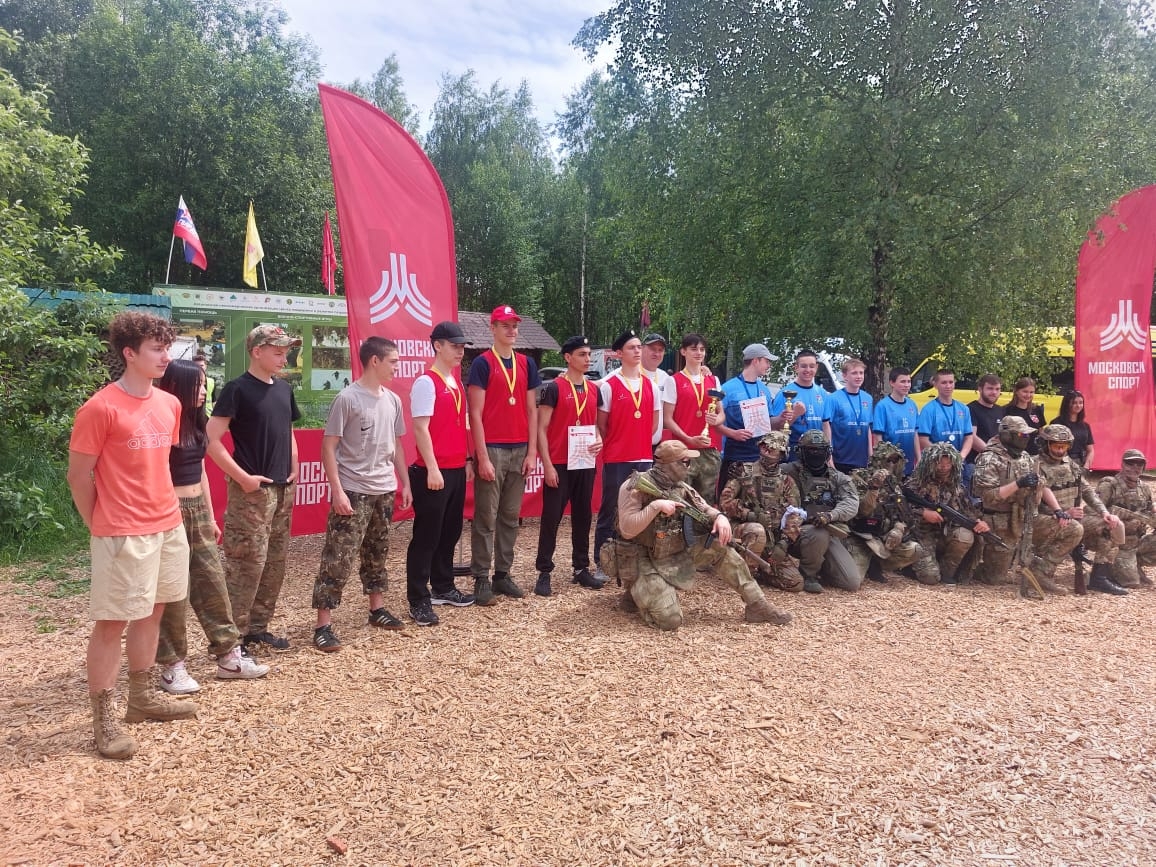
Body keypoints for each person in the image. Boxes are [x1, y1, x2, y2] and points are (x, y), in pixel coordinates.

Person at [67, 312, 197, 760]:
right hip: (122, 530)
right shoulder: (100, 407)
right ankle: (103, 719)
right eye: (156, 349)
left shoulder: (169, 404)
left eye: (167, 348)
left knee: (153, 611)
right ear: (129, 353)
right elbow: (78, 477)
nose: (166, 357)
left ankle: (140, 699)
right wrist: (98, 524)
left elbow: (157, 467)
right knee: (111, 623)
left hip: (168, 524)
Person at [155, 360, 269, 692]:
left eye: (205, 385)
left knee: (213, 582)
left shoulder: (198, 421)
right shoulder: (163, 421)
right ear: (177, 386)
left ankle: (229, 655)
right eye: (197, 385)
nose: (204, 391)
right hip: (169, 510)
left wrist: (208, 515)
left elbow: (202, 471)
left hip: (197, 511)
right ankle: (172, 665)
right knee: (173, 590)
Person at [610, 441, 792, 630]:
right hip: (642, 557)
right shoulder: (635, 486)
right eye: (685, 462)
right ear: (669, 464)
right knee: (670, 621)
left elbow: (703, 507)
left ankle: (757, 605)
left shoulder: (680, 487)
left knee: (720, 548)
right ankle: (636, 591)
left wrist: (719, 517)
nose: (689, 467)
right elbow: (627, 529)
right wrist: (655, 507)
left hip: (671, 550)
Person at [310, 338, 415, 652]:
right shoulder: (347, 398)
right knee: (338, 557)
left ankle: (376, 609)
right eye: (393, 361)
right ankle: (323, 625)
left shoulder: (393, 400)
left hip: (384, 489)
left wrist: (405, 483)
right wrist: (337, 490)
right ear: (374, 361)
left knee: (377, 552)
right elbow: (328, 446)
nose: (397, 367)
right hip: (353, 491)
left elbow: (397, 445)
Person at [208, 325, 302, 652]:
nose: (284, 358)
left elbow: (287, 430)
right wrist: (243, 478)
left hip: (282, 489)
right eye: (277, 352)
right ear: (256, 351)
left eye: (286, 352)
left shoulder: (283, 389)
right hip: (251, 493)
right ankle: (229, 641)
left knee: (274, 563)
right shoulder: (237, 389)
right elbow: (212, 439)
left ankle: (257, 630)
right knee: (245, 565)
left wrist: (294, 463)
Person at [467, 305, 541, 604]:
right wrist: (482, 456)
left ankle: (502, 574)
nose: (511, 330)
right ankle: (481, 578)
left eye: (514, 325)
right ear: (493, 328)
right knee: (486, 516)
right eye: (505, 325)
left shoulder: (526, 363)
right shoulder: (483, 363)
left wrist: (532, 452)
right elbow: (475, 413)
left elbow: (532, 410)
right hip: (493, 448)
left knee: (510, 516)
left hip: (520, 447)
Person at [407, 322, 477, 626]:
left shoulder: (455, 381)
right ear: (437, 345)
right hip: (432, 471)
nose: (460, 351)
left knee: (450, 532)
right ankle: (418, 599)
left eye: (462, 347)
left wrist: (468, 459)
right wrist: (432, 467)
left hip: (456, 468)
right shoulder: (427, 382)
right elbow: (420, 428)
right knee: (427, 537)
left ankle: (443, 586)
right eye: (454, 346)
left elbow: (459, 426)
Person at [533, 335, 604, 596]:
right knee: (551, 517)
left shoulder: (594, 390)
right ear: (568, 357)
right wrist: (548, 465)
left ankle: (581, 568)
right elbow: (541, 429)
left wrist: (598, 439)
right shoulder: (554, 388)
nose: (588, 359)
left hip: (584, 460)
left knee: (583, 516)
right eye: (582, 354)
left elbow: (595, 425)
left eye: (589, 354)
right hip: (560, 463)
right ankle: (544, 571)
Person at [972, 416, 1067, 590]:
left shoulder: (1025, 457)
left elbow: (1042, 484)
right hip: (1000, 521)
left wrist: (1057, 510)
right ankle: (978, 567)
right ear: (1007, 436)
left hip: (1027, 517)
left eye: (1027, 435)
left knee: (1072, 529)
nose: (1026, 439)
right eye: (1022, 435)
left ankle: (1041, 571)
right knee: (995, 578)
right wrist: (1018, 484)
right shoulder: (989, 458)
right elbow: (988, 496)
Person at [593, 329, 660, 575]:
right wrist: (620, 441)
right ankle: (602, 562)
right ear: (619, 353)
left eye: (639, 347)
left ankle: (636, 561)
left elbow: (653, 424)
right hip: (617, 457)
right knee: (611, 509)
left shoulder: (651, 386)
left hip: (643, 457)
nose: (637, 351)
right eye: (632, 347)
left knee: (641, 510)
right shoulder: (609, 386)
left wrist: (638, 441)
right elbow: (602, 424)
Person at [1032, 424, 1122, 595]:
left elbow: (1087, 491)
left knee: (1110, 527)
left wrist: (1104, 513)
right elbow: (1030, 504)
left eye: (1064, 446)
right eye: (1056, 446)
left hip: (1069, 518)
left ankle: (1099, 577)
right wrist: (1063, 513)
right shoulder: (1034, 465)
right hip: (1042, 520)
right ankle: (1042, 573)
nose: (1060, 450)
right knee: (1075, 528)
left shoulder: (1071, 465)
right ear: (1045, 444)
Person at [718, 430, 805, 592]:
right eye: (764, 446)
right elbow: (725, 502)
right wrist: (749, 514)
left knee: (795, 583)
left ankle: (762, 571)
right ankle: (745, 578)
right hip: (744, 532)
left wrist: (784, 543)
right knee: (757, 530)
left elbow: (795, 513)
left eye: (772, 448)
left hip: (772, 538)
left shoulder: (786, 481)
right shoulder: (744, 472)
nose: (767, 450)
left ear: (782, 454)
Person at [782, 430, 861, 593]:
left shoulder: (838, 478)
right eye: (811, 450)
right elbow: (764, 474)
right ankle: (808, 575)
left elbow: (851, 503)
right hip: (792, 532)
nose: (815, 454)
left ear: (827, 453)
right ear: (801, 452)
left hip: (827, 531)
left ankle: (822, 567)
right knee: (818, 533)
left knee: (851, 582)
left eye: (820, 450)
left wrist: (830, 516)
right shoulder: (787, 471)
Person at [712, 343, 794, 493]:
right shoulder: (728, 388)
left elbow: (769, 423)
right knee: (728, 499)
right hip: (735, 456)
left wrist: (781, 418)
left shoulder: (764, 389)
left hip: (759, 456)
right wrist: (733, 433)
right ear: (756, 360)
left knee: (755, 500)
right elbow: (714, 422)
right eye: (766, 361)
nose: (769, 366)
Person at [904, 443, 989, 585]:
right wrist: (923, 513)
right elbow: (901, 508)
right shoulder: (915, 484)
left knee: (965, 535)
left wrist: (979, 521)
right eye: (940, 464)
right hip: (922, 534)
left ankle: (947, 572)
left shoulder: (956, 487)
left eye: (948, 464)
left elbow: (968, 510)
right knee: (930, 578)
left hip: (945, 532)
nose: (944, 468)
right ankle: (910, 567)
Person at [846, 442, 923, 583]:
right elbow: (862, 511)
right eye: (888, 460)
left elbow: (902, 514)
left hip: (882, 536)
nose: (891, 464)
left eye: (895, 461)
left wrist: (899, 528)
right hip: (860, 536)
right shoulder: (858, 478)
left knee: (915, 550)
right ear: (879, 459)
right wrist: (874, 487)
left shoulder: (894, 485)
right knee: (853, 579)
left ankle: (877, 565)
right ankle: (866, 563)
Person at [663, 333, 723, 501]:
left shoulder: (713, 380)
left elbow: (721, 414)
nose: (699, 353)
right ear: (683, 351)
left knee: (706, 502)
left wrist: (716, 420)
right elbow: (667, 419)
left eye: (702, 349)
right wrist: (688, 438)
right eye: (694, 349)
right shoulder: (673, 381)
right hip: (683, 449)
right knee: (680, 500)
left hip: (709, 449)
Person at [1094, 449, 1154, 592]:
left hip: (1137, 540)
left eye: (1139, 464)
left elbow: (1148, 510)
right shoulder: (1109, 485)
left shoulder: (1144, 488)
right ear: (1122, 464)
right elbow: (1093, 511)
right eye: (1130, 463)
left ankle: (1134, 563)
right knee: (1131, 583)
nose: (1135, 467)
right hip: (1118, 544)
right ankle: (1108, 568)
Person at [770, 349, 827, 460]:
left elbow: (826, 424)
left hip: (818, 455)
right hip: (794, 455)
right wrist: (795, 414)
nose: (808, 370)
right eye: (803, 366)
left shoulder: (822, 394)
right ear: (796, 368)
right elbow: (775, 428)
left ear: (816, 367)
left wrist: (829, 454)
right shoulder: (785, 393)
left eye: (811, 366)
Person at [822, 357, 873, 472]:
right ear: (845, 376)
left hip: (862, 460)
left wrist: (871, 456)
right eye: (854, 373)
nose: (859, 376)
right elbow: (826, 426)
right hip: (841, 460)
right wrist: (829, 457)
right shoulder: (833, 398)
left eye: (861, 373)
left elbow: (868, 428)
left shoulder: (868, 398)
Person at [871, 367, 920, 476]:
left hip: (909, 466)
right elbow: (878, 439)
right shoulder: (883, 406)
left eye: (908, 381)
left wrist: (919, 459)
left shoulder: (912, 405)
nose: (906, 385)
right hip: (891, 467)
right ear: (892, 383)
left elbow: (915, 434)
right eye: (903, 381)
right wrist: (882, 464)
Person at [917, 369, 974, 461]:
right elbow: (923, 439)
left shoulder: (963, 409)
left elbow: (969, 437)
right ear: (936, 385)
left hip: (958, 462)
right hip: (936, 462)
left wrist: (961, 456)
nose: (948, 386)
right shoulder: (928, 409)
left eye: (951, 382)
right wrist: (942, 457)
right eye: (944, 383)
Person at [966, 374, 1004, 492]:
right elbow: (972, 437)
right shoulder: (970, 409)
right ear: (980, 389)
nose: (994, 392)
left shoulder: (1000, 410)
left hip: (997, 466)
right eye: (990, 388)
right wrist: (992, 455)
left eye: (997, 389)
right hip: (976, 465)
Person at [1001, 377, 1045, 455]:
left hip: (1034, 454)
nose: (1028, 395)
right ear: (1016, 391)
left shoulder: (1037, 409)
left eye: (1031, 392)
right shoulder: (1006, 410)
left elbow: (1041, 432)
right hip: (1014, 454)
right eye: (1025, 391)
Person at [640, 333, 670, 446]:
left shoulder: (665, 377)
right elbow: (599, 385)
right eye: (652, 349)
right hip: (633, 444)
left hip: (656, 445)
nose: (657, 353)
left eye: (660, 350)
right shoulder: (629, 372)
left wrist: (700, 370)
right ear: (642, 349)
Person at [1052, 390, 1094, 468]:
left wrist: (1086, 466)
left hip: (1081, 463)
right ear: (1067, 404)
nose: (1078, 405)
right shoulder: (1056, 423)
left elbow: (1090, 450)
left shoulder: (1085, 426)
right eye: (1074, 403)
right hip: (1061, 464)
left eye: (1081, 403)